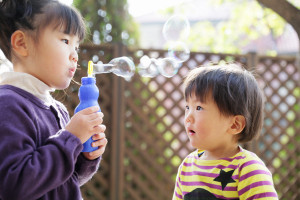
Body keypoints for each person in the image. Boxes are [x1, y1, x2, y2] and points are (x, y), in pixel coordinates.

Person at [0, 0, 108, 199]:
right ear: (22, 44)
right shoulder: (8, 105)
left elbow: (62, 181)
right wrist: (72, 138)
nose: (75, 55)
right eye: (66, 41)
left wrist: (85, 156)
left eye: (76, 46)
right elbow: (14, 185)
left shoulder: (58, 108)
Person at [172, 64, 278, 200]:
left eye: (199, 107)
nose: (188, 117)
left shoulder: (248, 170)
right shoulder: (187, 166)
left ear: (235, 125)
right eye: (187, 107)